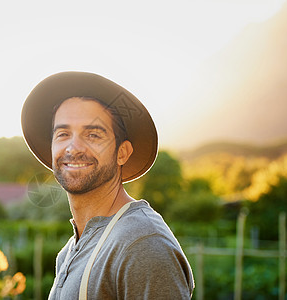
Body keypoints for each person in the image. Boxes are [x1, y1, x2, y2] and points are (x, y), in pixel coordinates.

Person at [21, 71, 194, 299]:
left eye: (93, 135)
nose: (74, 148)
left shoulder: (141, 244)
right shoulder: (69, 252)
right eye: (63, 134)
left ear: (122, 153)